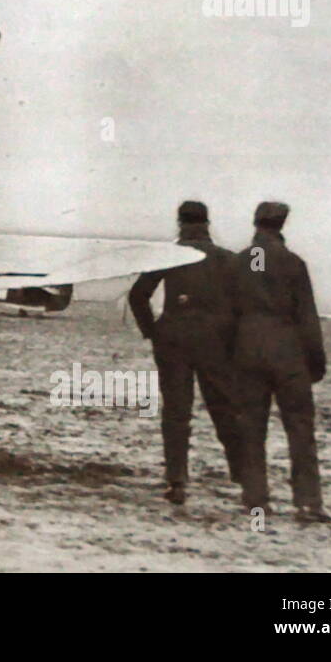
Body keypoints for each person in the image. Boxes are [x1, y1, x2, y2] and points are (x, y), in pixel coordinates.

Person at [128, 200, 245, 505]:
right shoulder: (228, 259)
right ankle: (243, 474)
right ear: (207, 223)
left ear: (180, 222)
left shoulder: (168, 256)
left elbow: (138, 295)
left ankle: (177, 481)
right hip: (216, 344)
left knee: (177, 412)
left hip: (173, 341)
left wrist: (152, 331)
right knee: (224, 409)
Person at [233, 202, 331, 522]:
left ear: (255, 222)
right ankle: (307, 501)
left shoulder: (237, 263)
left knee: (250, 427)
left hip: (247, 353)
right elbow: (307, 318)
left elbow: (225, 315)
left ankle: (256, 500)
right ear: (282, 225)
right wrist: (315, 362)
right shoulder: (293, 264)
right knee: (300, 428)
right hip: (288, 355)